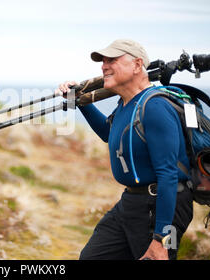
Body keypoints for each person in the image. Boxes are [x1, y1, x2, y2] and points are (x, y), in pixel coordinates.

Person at [57, 39, 193, 260]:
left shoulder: (155, 107)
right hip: (132, 202)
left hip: (165, 208)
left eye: (112, 60)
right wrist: (80, 100)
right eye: (103, 61)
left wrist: (161, 240)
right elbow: (110, 135)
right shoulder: (126, 103)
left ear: (137, 65)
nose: (104, 66)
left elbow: (168, 175)